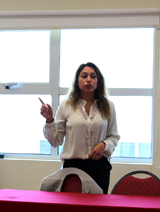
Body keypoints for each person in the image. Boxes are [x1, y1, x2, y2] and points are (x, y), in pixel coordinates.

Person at [40, 62, 120, 194]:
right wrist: (49, 120)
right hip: (73, 167)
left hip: (99, 167)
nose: (89, 80)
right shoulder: (66, 105)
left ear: (98, 81)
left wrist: (103, 145)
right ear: (77, 81)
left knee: (97, 211)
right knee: (72, 211)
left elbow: (114, 136)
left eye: (93, 76)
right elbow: (56, 141)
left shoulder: (108, 106)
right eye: (84, 76)